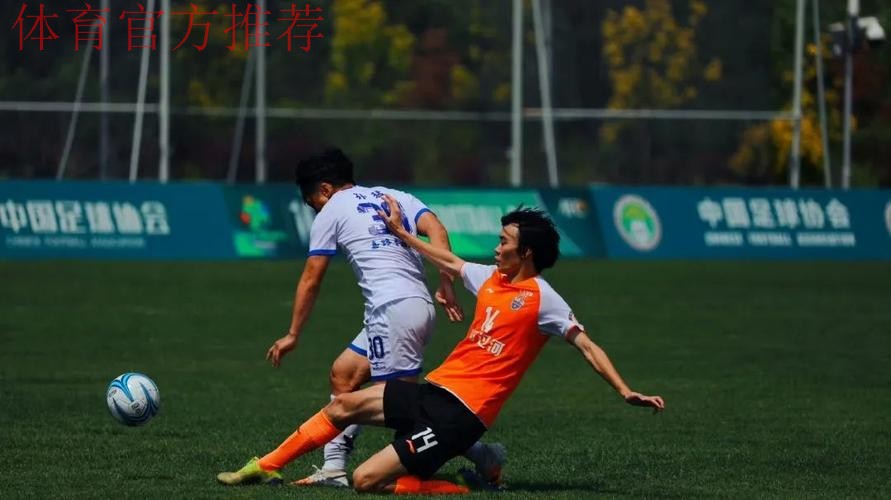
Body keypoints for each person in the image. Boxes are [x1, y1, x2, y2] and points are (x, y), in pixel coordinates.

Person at [218, 197, 666, 495]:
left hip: (461, 417)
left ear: (526, 253)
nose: (496, 249)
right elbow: (448, 260)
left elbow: (587, 345)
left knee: (366, 481)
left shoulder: (543, 298)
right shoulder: (491, 280)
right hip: (433, 391)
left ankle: (463, 486)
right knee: (343, 405)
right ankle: (266, 465)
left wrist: (624, 390)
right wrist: (400, 232)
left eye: (504, 243)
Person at [264, 149, 504, 487]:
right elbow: (435, 227)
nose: (315, 208)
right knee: (344, 374)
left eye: (312, 201)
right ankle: (333, 468)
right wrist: (445, 281)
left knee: (399, 407)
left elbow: (312, 277)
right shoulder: (391, 195)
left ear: (325, 189)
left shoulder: (331, 210)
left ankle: (479, 455)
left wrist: (293, 333)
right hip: (413, 305)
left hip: (392, 311)